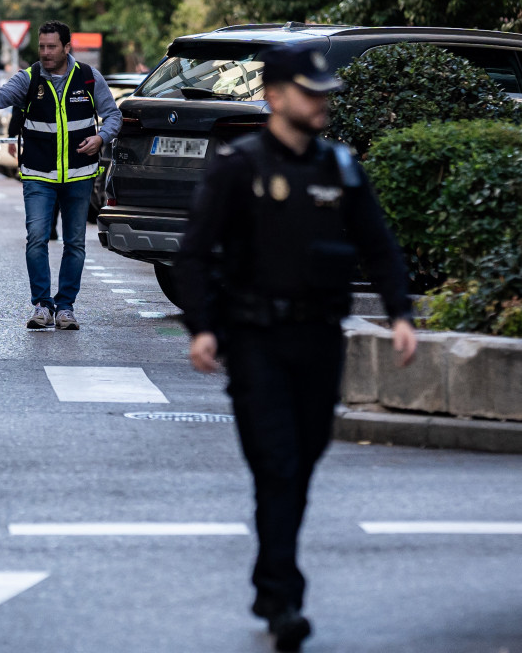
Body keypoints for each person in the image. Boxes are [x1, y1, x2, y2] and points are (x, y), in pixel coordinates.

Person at [176, 43, 418, 652]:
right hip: (256, 339)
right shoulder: (238, 166)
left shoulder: (338, 166)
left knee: (302, 461)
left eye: (324, 93)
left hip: (318, 339)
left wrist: (400, 313)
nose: (322, 104)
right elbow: (195, 255)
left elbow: (378, 241)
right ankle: (283, 596)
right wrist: (203, 327)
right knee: (278, 463)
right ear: (276, 98)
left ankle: (269, 575)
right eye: (311, 94)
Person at [0, 20, 121, 330]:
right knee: (37, 239)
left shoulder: (88, 78)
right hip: (38, 174)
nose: (45, 52)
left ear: (66, 47)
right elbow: (1, 97)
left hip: (79, 175)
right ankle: (42, 305)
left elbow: (113, 115)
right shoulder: (29, 78)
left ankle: (65, 307)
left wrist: (101, 138)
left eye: (52, 46)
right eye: (42, 46)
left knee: (75, 243)